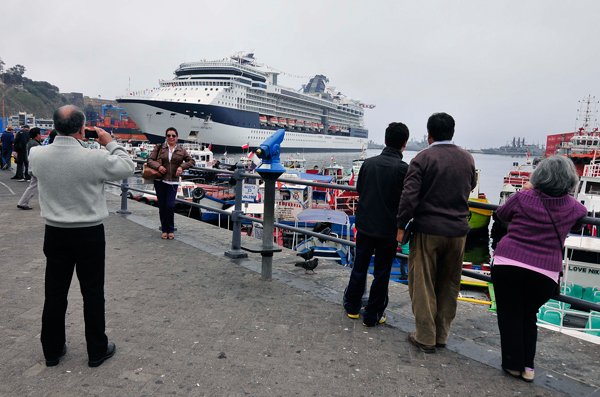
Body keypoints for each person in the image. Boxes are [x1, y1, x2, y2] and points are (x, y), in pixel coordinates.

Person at [29, 105, 134, 367]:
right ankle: (97, 350)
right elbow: (128, 166)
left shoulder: (37, 154)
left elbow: (48, 160)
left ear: (53, 127)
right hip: (89, 234)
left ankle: (52, 351)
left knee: (54, 293)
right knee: (92, 292)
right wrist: (109, 142)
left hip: (54, 233)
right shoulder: (94, 158)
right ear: (82, 128)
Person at [491, 156, 586, 382]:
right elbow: (579, 223)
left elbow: (501, 215)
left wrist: (528, 190)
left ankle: (513, 364)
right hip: (545, 272)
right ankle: (528, 367)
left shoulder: (523, 197)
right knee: (528, 315)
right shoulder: (575, 208)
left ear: (539, 175)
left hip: (509, 263)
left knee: (510, 313)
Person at [396, 112, 476, 353]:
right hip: (458, 231)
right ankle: (441, 335)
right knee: (449, 283)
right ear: (452, 132)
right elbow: (470, 185)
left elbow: (409, 197)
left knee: (422, 283)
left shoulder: (422, 158)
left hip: (428, 229)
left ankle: (425, 336)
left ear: (429, 135)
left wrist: (401, 226)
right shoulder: (467, 158)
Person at [343, 122, 409, 326]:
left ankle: (352, 307)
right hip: (388, 229)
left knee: (359, 265)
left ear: (385, 140)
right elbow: (406, 200)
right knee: (382, 272)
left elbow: (360, 189)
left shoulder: (368, 163)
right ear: (404, 144)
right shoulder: (404, 169)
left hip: (364, 225)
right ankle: (373, 314)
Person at [146, 127, 195, 239]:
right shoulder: (160, 147)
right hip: (160, 180)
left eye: (173, 135)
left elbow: (191, 161)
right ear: (166, 137)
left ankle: (171, 229)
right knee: (162, 206)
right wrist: (159, 166)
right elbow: (149, 160)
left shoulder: (181, 150)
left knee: (170, 206)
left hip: (173, 182)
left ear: (177, 137)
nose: (171, 137)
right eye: (169, 135)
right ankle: (164, 230)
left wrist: (182, 167)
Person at [17, 128, 43, 210]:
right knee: (33, 186)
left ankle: (22, 202)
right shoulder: (35, 144)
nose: (40, 135)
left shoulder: (30, 142)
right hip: (37, 168)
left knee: (33, 186)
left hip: (33, 167)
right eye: (39, 134)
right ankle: (23, 202)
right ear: (37, 135)